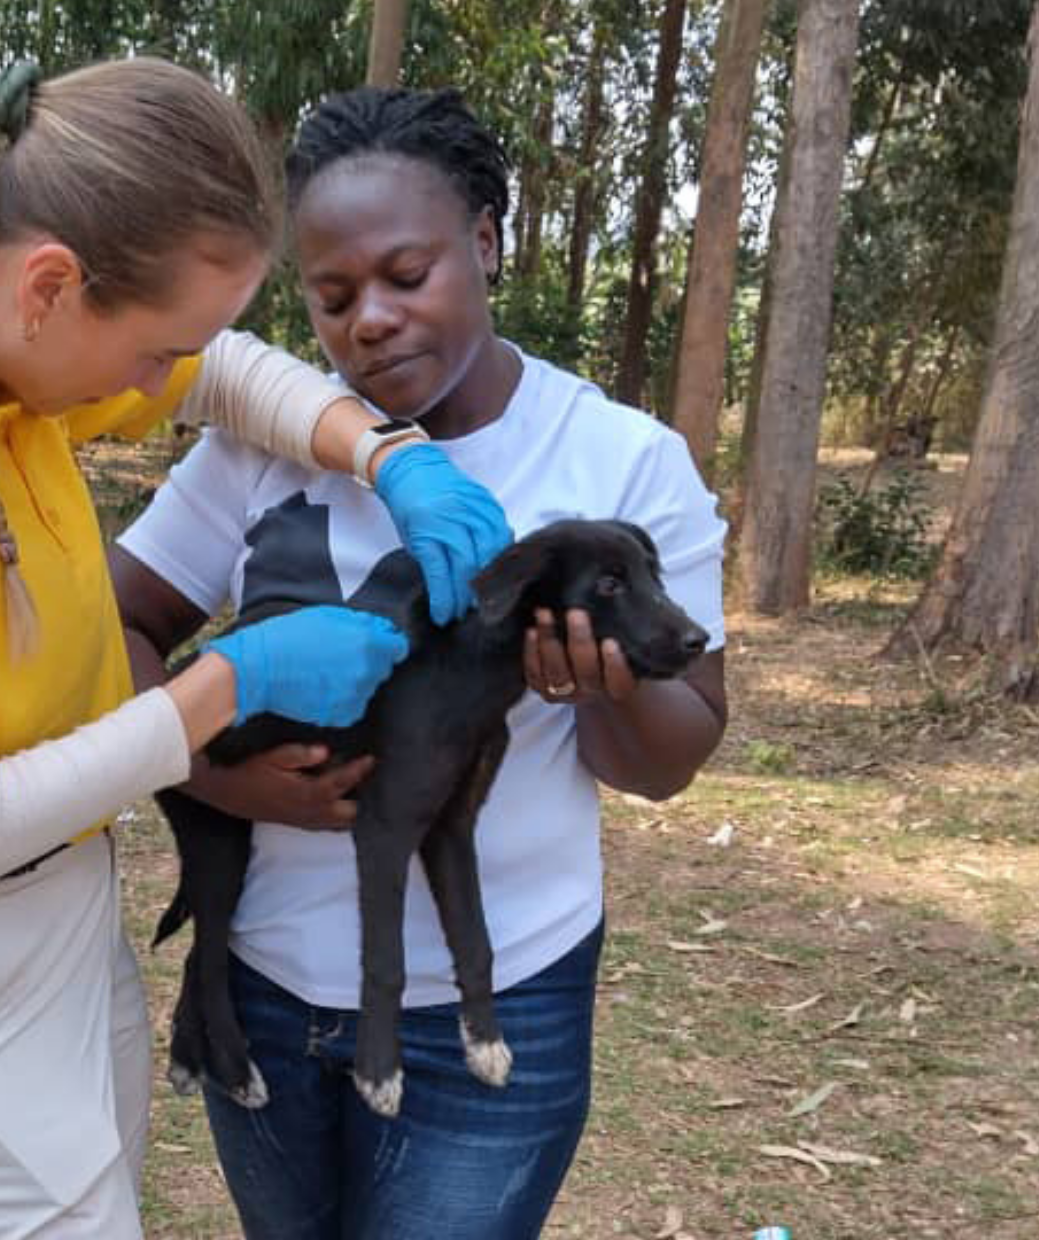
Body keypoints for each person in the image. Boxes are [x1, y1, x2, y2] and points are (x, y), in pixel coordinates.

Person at [0, 60, 511, 1239]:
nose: (156, 382)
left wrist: (382, 452)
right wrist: (230, 682)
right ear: (49, 286)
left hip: (66, 911)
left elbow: (215, 369)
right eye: (148, 350)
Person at [112, 85, 730, 1239]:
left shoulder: (618, 459)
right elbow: (114, 630)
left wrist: (603, 689)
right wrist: (206, 772)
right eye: (333, 296)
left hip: (495, 1007)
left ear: (484, 241)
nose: (371, 322)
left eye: (407, 274)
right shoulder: (263, 443)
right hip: (271, 985)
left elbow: (672, 755)